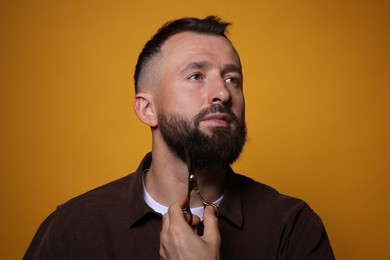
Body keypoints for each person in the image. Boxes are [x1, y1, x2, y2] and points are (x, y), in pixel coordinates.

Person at [24, 16, 335, 259]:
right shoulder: (74, 228)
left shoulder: (291, 228)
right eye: (196, 76)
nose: (223, 93)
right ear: (147, 109)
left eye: (232, 79)